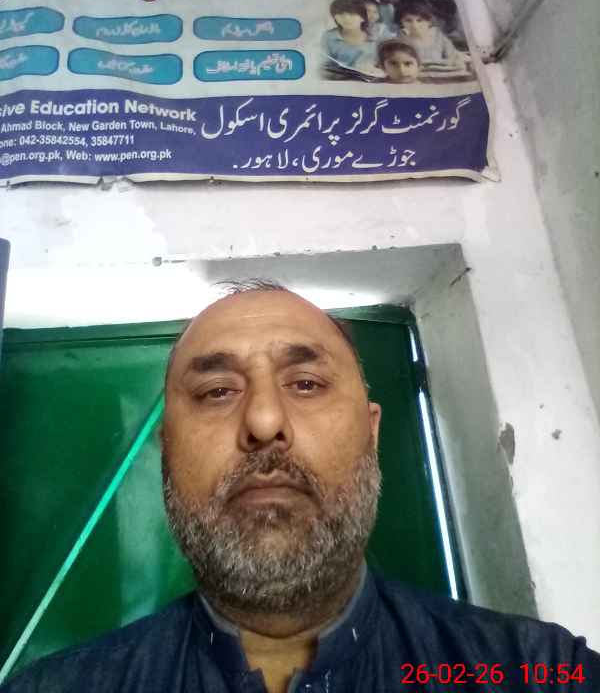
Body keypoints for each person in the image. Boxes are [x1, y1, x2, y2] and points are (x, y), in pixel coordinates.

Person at [2, 279, 599, 692]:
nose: (264, 422)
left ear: (371, 433)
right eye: (217, 391)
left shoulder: (541, 673)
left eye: (307, 383)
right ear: (167, 450)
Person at [397, 2, 467, 72]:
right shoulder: (401, 39)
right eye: (408, 21)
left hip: (442, 73)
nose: (414, 25)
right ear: (401, 22)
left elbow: (453, 56)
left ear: (429, 21)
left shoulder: (438, 35)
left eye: (419, 20)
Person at [321, 0, 379, 74]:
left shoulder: (377, 37)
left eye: (352, 14)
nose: (346, 18)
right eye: (340, 14)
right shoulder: (329, 37)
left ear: (363, 17)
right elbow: (324, 67)